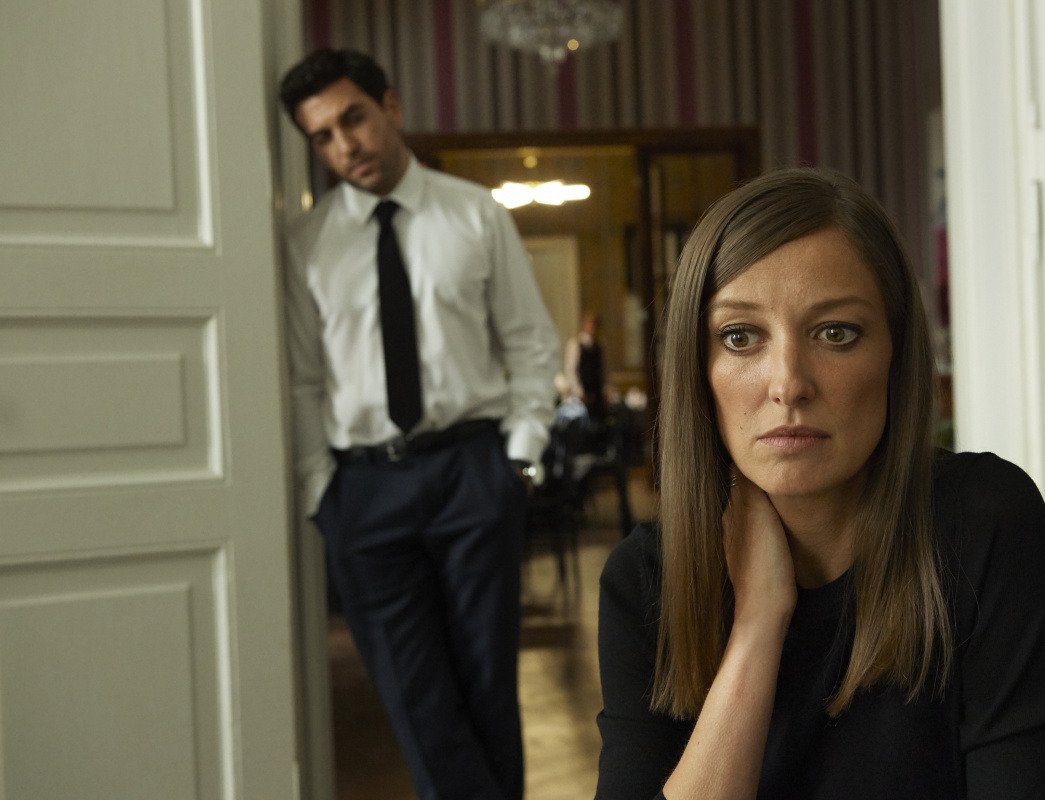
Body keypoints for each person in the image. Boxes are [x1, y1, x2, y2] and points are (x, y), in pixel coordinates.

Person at [595, 168, 1045, 799]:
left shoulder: (986, 523)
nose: (788, 384)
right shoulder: (645, 580)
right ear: (698, 370)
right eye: (740, 337)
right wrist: (758, 623)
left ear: (895, 354)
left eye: (836, 333)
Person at [279, 48, 560, 800]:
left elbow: (530, 344)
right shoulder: (305, 246)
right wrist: (321, 491)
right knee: (415, 699)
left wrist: (520, 458)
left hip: (473, 471)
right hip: (364, 489)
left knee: (486, 686)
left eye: (354, 119)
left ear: (391, 107)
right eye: (323, 136)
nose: (346, 146)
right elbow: (302, 379)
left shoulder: (475, 214)